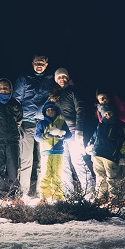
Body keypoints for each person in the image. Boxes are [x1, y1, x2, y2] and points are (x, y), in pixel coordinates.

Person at [13, 54, 54, 198]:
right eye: (36, 62)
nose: (39, 65)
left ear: (46, 64)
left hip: (44, 124)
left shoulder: (51, 80)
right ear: (32, 63)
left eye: (42, 62)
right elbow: (16, 101)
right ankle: (24, 191)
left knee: (43, 157)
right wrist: (17, 121)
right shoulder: (23, 80)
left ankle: (41, 190)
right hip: (27, 123)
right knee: (26, 158)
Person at [49, 68, 94, 197]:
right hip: (59, 132)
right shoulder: (53, 95)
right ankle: (67, 192)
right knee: (63, 163)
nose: (62, 79)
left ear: (68, 78)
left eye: (64, 77)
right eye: (59, 77)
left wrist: (79, 130)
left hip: (73, 131)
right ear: (56, 79)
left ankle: (89, 190)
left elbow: (80, 110)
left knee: (77, 160)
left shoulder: (73, 91)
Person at [0, 78, 23, 203]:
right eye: (1, 88)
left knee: (14, 167)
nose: (3, 90)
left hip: (13, 139)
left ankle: (14, 194)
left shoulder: (15, 104)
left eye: (6, 88)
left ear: (10, 89)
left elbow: (19, 120)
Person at [86, 104, 125, 206]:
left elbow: (124, 141)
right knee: (100, 177)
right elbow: (93, 137)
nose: (108, 115)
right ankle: (101, 197)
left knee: (112, 178)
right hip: (97, 154)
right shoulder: (100, 126)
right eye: (106, 114)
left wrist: (121, 154)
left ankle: (114, 199)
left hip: (110, 156)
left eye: (110, 113)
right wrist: (89, 146)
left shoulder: (118, 127)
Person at [34, 102, 70, 202]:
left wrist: (62, 135)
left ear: (56, 111)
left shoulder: (61, 122)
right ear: (45, 112)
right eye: (48, 110)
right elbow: (36, 136)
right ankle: (44, 197)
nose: (50, 111)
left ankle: (57, 197)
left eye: (52, 109)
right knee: (45, 174)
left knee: (57, 175)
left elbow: (69, 135)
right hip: (46, 152)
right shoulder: (41, 123)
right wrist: (44, 136)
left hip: (59, 152)